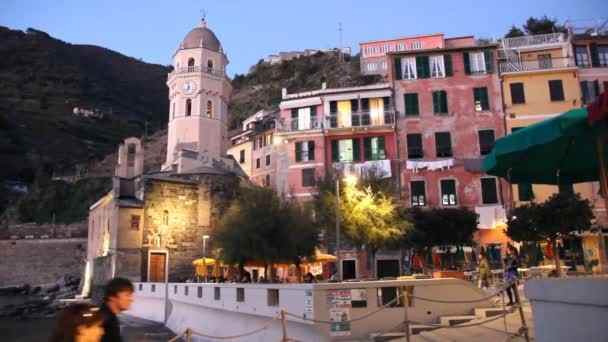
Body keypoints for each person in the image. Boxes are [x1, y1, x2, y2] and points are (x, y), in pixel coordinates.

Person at [100, 277, 134, 342]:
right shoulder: (104, 321)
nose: (131, 299)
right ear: (112, 297)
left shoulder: (110, 317)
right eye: (127, 295)